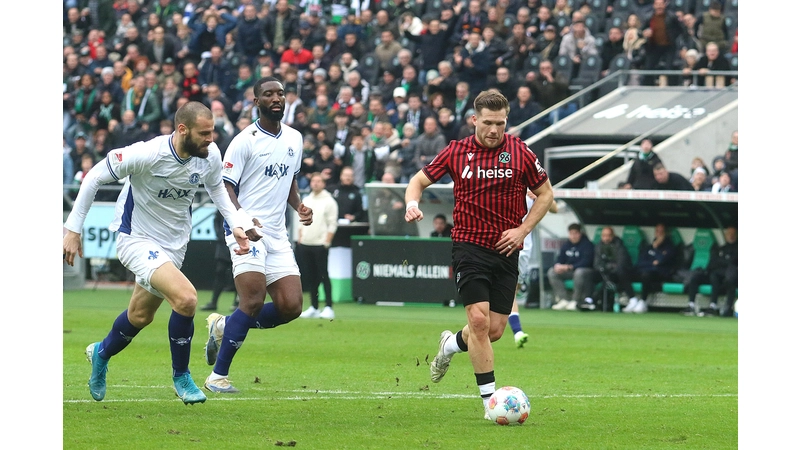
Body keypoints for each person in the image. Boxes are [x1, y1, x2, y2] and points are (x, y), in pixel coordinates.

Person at [62, 101, 253, 404]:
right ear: (182, 130)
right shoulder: (147, 153)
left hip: (174, 244)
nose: (210, 139)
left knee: (140, 315)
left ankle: (100, 353)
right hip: (135, 238)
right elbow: (95, 176)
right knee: (187, 298)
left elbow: (217, 189)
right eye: (204, 133)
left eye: (212, 132)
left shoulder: (209, 155)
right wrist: (72, 229)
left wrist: (236, 225)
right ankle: (182, 376)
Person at [404, 89, 554, 420]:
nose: (494, 130)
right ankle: (490, 404)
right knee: (479, 320)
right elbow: (417, 180)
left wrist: (522, 230)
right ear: (474, 119)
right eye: (488, 123)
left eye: (500, 123)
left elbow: (545, 195)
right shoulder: (456, 152)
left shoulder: (520, 152)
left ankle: (450, 345)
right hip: (469, 246)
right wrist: (412, 204)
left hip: (507, 250)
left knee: (495, 330)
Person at [201, 77, 314, 394]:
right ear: (257, 102)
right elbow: (226, 186)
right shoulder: (244, 140)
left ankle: (223, 325)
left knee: (291, 306)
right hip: (245, 232)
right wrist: (241, 220)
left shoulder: (294, 138)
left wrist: (299, 206)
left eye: (280, 93)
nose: (276, 98)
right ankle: (217, 376)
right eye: (268, 94)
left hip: (276, 234)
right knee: (251, 301)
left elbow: (289, 178)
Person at [508, 190, 558, 347]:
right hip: (506, 243)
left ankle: (512, 329)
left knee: (511, 291)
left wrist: (540, 198)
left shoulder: (535, 184)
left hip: (524, 249)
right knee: (507, 290)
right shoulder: (505, 178)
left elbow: (554, 208)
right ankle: (517, 331)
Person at [297, 172, 339, 320]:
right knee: (310, 277)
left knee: (323, 275)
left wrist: (326, 242)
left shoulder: (329, 201)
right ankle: (314, 307)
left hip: (320, 244)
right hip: (306, 243)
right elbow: (300, 220)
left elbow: (332, 223)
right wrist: (300, 238)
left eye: (318, 181)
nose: (315, 183)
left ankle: (328, 306)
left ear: (323, 183)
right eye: (313, 181)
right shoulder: (306, 199)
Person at [626, 223, 677, 314]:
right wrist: (653, 262)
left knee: (646, 275)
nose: (659, 233)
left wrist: (656, 250)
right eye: (657, 231)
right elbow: (640, 262)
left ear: (665, 233)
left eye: (661, 231)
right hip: (645, 270)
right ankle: (632, 300)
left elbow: (663, 262)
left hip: (660, 274)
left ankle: (643, 302)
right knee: (625, 272)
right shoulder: (648, 247)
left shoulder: (670, 248)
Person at [585, 226, 636, 311]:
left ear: (613, 236)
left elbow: (621, 263)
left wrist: (608, 268)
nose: (606, 238)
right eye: (604, 235)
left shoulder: (619, 246)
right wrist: (604, 268)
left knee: (613, 277)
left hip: (617, 274)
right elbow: (597, 264)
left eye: (608, 235)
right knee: (589, 274)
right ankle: (587, 298)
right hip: (604, 272)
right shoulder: (599, 246)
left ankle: (592, 300)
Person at [199, 211, 240, 312]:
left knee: (238, 272)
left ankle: (237, 302)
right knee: (220, 271)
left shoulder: (241, 201)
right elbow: (216, 219)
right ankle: (213, 302)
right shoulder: (224, 200)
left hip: (239, 242)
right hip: (223, 243)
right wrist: (219, 234)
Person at [548, 223, 595, 311]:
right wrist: (558, 265)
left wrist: (569, 267)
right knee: (552, 272)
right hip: (569, 271)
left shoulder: (587, 245)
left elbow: (587, 262)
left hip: (586, 271)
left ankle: (575, 300)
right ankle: (564, 299)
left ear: (580, 233)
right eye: (571, 234)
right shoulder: (566, 245)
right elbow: (560, 258)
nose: (573, 236)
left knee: (579, 272)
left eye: (575, 233)